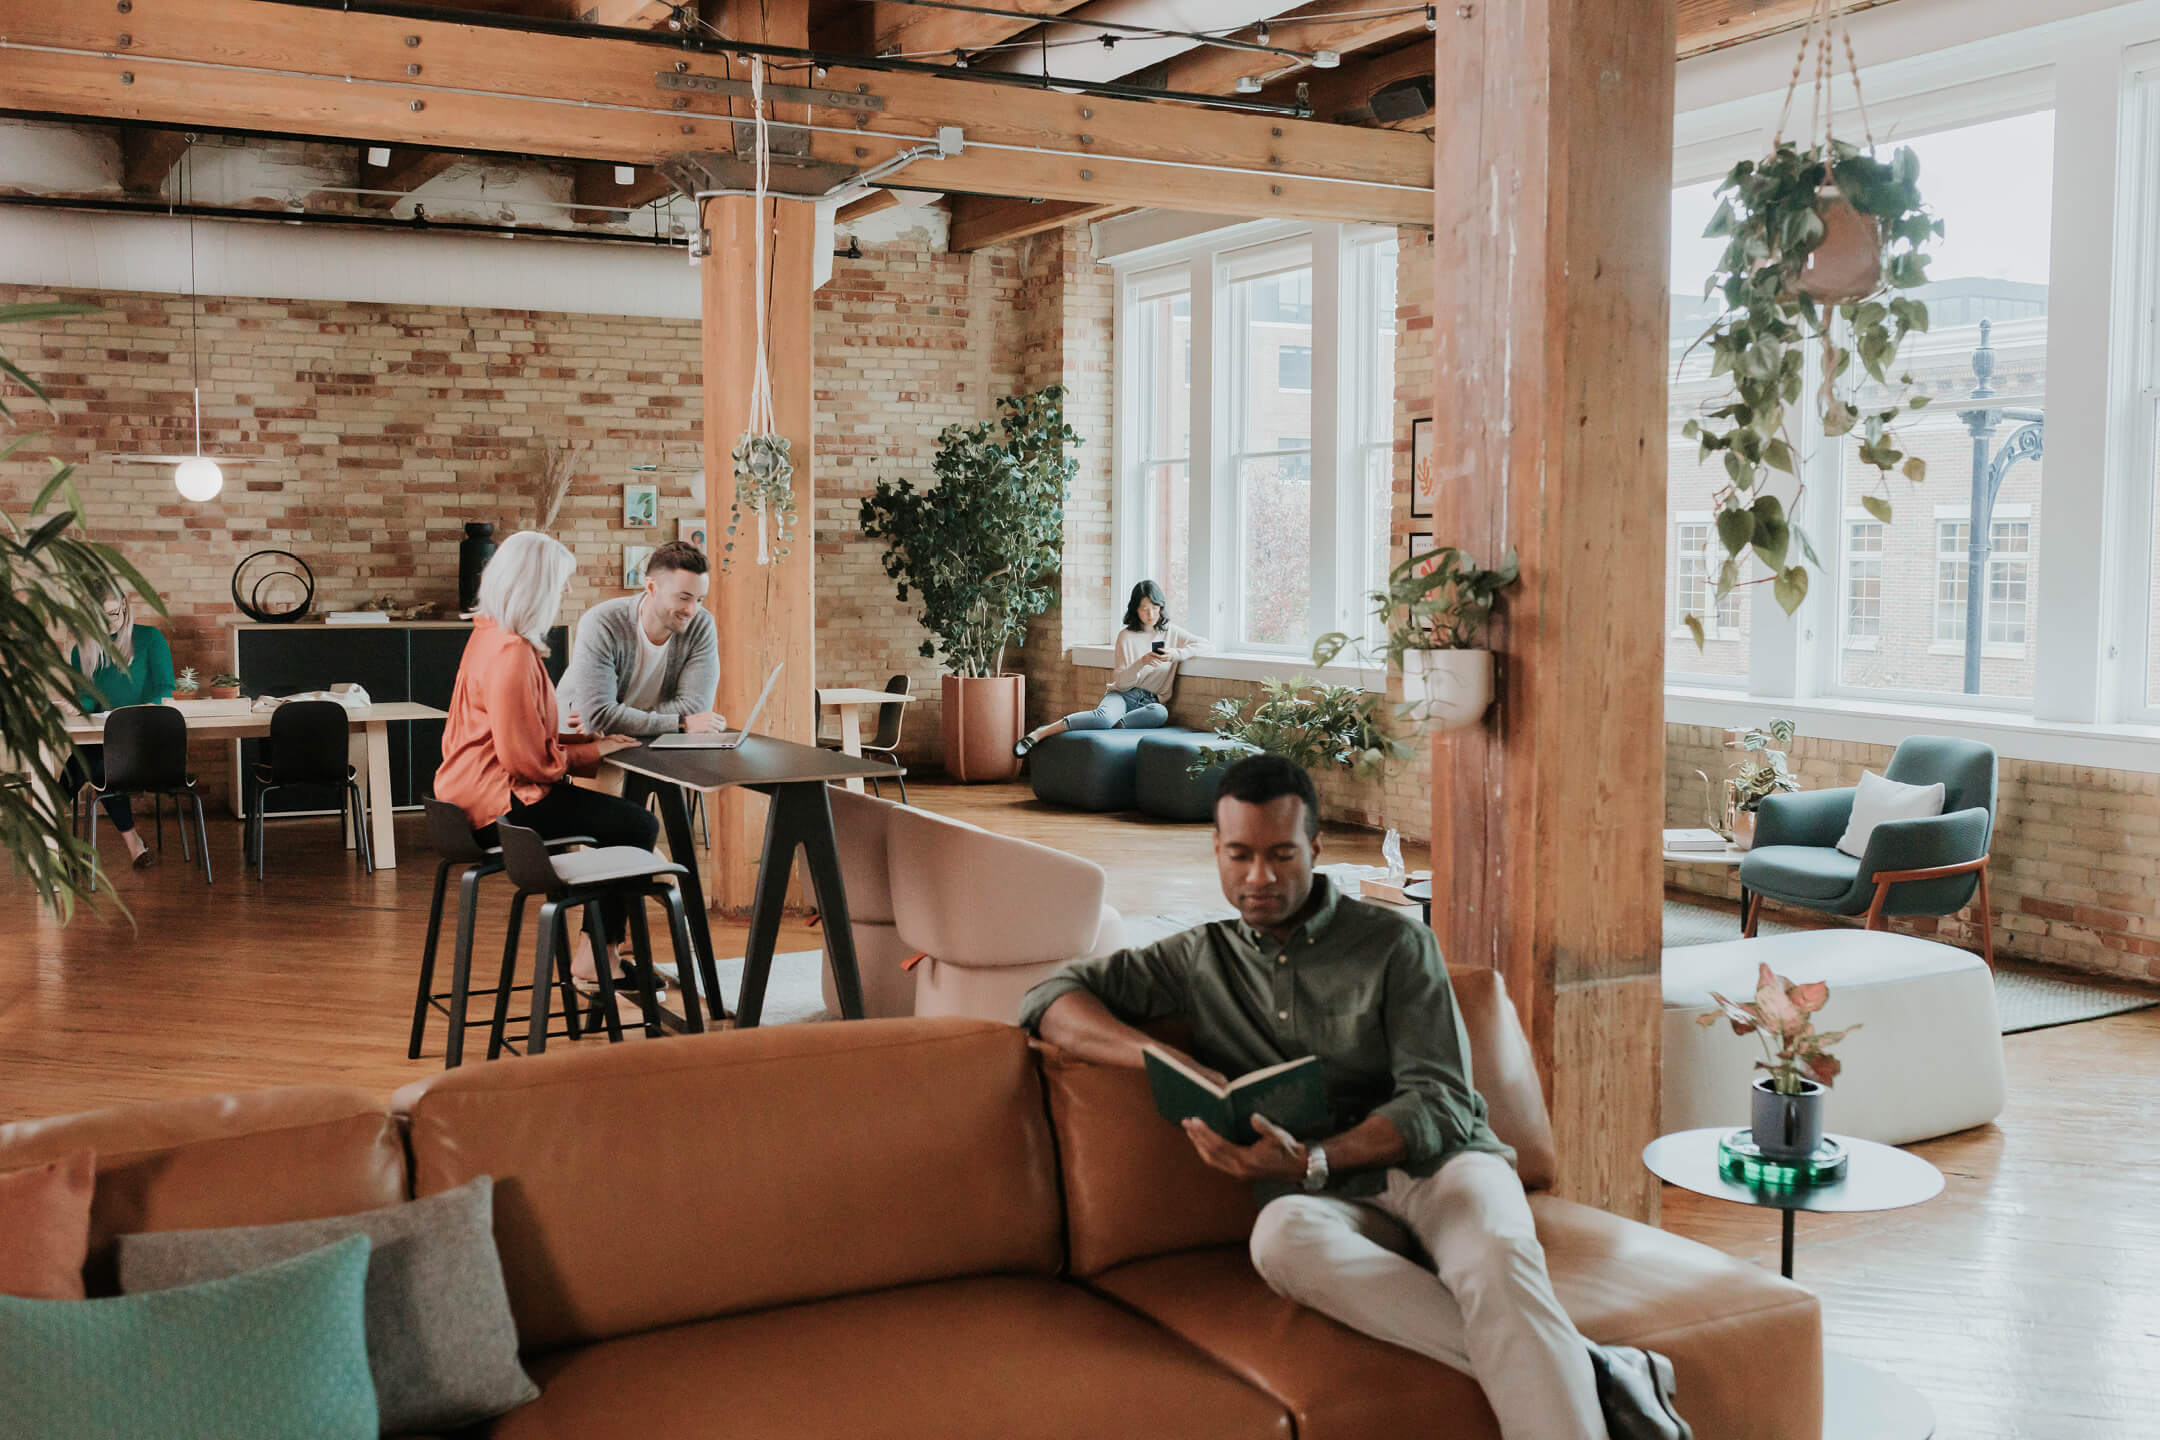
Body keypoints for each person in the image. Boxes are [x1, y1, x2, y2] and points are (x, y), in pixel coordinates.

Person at [1017, 754, 1693, 1440]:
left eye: (1281, 854)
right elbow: (1049, 998)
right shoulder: (1197, 959)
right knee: (1279, 1240)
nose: (1259, 877)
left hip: (1443, 1168)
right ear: (1216, 852)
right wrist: (1157, 1055)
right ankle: (1594, 1367)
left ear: (1316, 848)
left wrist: (1313, 1159)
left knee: (1496, 1260)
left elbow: (1440, 1101)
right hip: (1329, 1204)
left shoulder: (1396, 943)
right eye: (1239, 854)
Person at [433, 531, 657, 993]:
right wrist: (592, 753)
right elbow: (526, 762)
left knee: (616, 824)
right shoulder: (513, 653)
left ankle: (603, 949)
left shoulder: (487, 636)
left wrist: (584, 740)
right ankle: (600, 957)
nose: (566, 592)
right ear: (536, 585)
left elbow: (517, 734)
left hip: (466, 801)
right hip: (504, 807)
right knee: (637, 827)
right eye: (560, 582)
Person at [1014, 579, 1208, 757]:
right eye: (1145, 609)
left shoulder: (1171, 632)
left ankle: (1116, 723)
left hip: (1150, 702)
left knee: (1160, 713)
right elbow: (1122, 682)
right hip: (1123, 695)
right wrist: (1141, 662)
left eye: (1155, 608)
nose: (1151, 614)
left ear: (1161, 607)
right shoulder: (1126, 636)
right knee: (1103, 717)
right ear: (1135, 609)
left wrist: (1175, 654)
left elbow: (1207, 645)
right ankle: (1041, 733)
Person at [556, 539, 723, 742]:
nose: (691, 610)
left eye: (699, 599)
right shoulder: (603, 622)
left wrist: (611, 715)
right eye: (683, 597)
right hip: (580, 745)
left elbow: (695, 709)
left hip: (651, 741)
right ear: (651, 587)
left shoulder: (701, 625)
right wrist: (681, 722)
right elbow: (597, 716)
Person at [64, 589, 176, 869]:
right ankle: (133, 844)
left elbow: (166, 688)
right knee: (92, 760)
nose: (109, 622)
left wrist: (148, 710)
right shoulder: (82, 651)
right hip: (106, 744)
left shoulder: (150, 638)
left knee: (90, 761)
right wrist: (78, 705)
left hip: (146, 743)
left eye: (113, 613)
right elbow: (89, 697)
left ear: (124, 607)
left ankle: (48, 835)